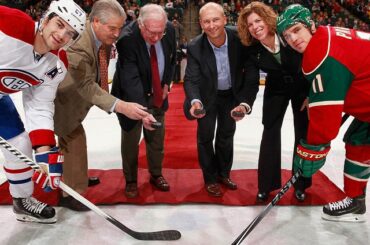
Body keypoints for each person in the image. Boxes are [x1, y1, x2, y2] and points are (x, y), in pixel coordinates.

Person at [54, 0, 152, 210]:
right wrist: (121, 105)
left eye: (120, 28)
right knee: (74, 139)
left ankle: (74, 178)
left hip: (75, 98)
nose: (117, 34)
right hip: (61, 99)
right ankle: (71, 194)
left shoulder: (100, 37)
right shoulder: (78, 44)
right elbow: (86, 85)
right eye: (112, 28)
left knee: (73, 140)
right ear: (96, 21)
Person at [277, 4, 370, 222]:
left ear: (310, 24)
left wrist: (310, 149)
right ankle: (356, 201)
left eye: (296, 30)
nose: (293, 39)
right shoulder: (326, 35)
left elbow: (325, 125)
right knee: (359, 140)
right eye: (287, 35)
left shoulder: (320, 52)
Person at [0, 0, 86, 223]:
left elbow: (39, 106)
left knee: (20, 144)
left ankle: (22, 201)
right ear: (46, 19)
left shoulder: (56, 65)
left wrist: (44, 152)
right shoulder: (10, 23)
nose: (61, 35)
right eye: (59, 24)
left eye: (70, 33)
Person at [237, 2, 310, 202]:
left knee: (303, 133)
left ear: (267, 19)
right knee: (269, 131)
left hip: (302, 85)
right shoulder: (252, 49)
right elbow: (251, 81)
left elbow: (314, 59)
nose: (255, 27)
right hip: (275, 88)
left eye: (258, 21)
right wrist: (245, 104)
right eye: (250, 24)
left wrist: (313, 94)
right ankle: (265, 185)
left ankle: (301, 183)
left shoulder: (287, 33)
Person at [183, 2, 258, 197]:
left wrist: (244, 103)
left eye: (216, 19)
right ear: (200, 23)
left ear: (225, 19)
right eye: (206, 21)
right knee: (205, 137)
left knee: (226, 136)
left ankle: (224, 174)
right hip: (207, 96)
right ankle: (210, 178)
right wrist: (195, 101)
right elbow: (191, 78)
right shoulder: (195, 46)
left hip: (231, 96)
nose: (212, 25)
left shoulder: (241, 38)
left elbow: (251, 75)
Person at [111, 4, 176, 198]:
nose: (156, 38)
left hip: (157, 92)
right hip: (132, 99)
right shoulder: (127, 40)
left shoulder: (169, 30)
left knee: (157, 138)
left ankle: (156, 174)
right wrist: (143, 112)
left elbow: (171, 59)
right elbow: (131, 80)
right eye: (151, 33)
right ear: (140, 25)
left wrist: (165, 84)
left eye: (160, 32)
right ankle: (131, 179)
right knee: (131, 140)